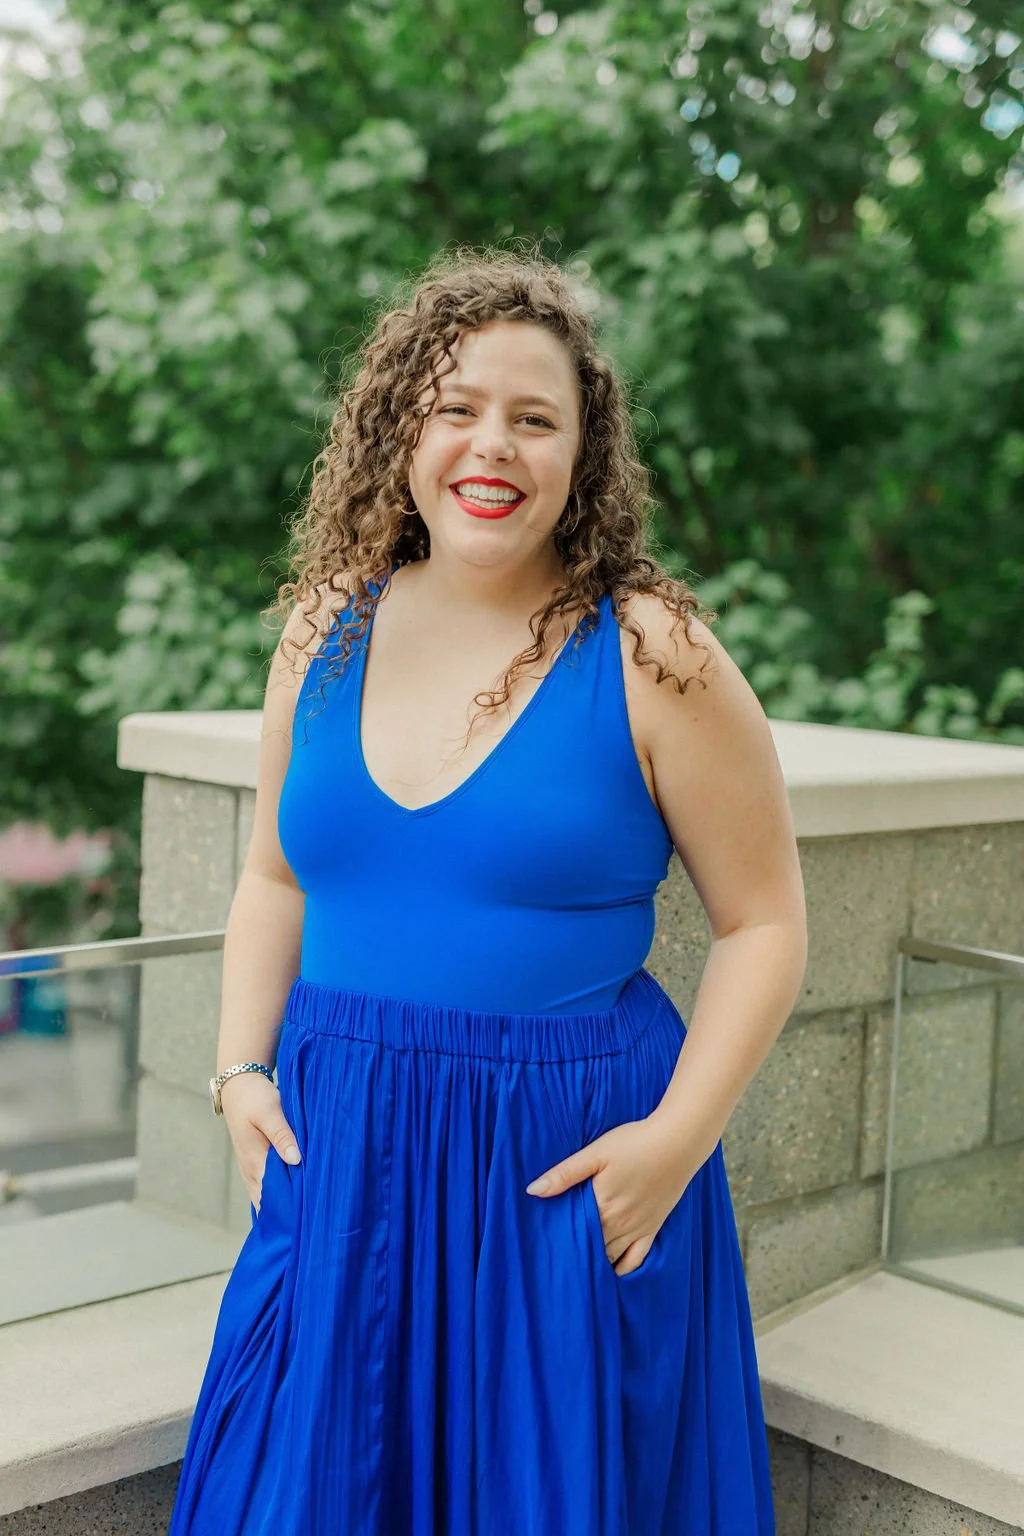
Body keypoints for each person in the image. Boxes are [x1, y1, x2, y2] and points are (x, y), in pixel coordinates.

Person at [167, 246, 807, 1535]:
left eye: (534, 418)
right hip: (345, 1153)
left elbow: (765, 923)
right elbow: (274, 875)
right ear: (402, 431)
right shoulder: (324, 625)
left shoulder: (652, 651)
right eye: (455, 407)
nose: (491, 445)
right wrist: (238, 1072)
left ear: (584, 452)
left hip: (558, 1169)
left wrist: (674, 1146)